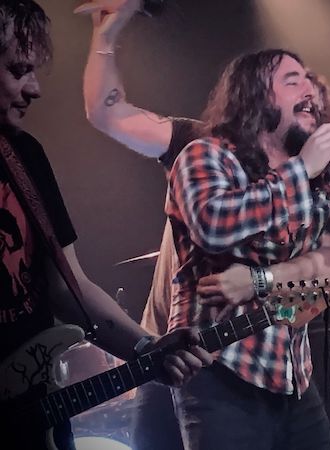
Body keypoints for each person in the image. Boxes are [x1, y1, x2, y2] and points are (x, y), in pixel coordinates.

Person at [77, 1, 330, 449]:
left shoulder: (309, 170)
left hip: (262, 357)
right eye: (290, 81)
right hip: (172, 341)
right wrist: (106, 35)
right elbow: (108, 113)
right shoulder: (199, 143)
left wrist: (264, 279)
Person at [0, 2, 213, 449]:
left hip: (35, 416)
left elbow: (68, 287)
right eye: (18, 70)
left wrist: (146, 348)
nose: (34, 88)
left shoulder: (24, 157)